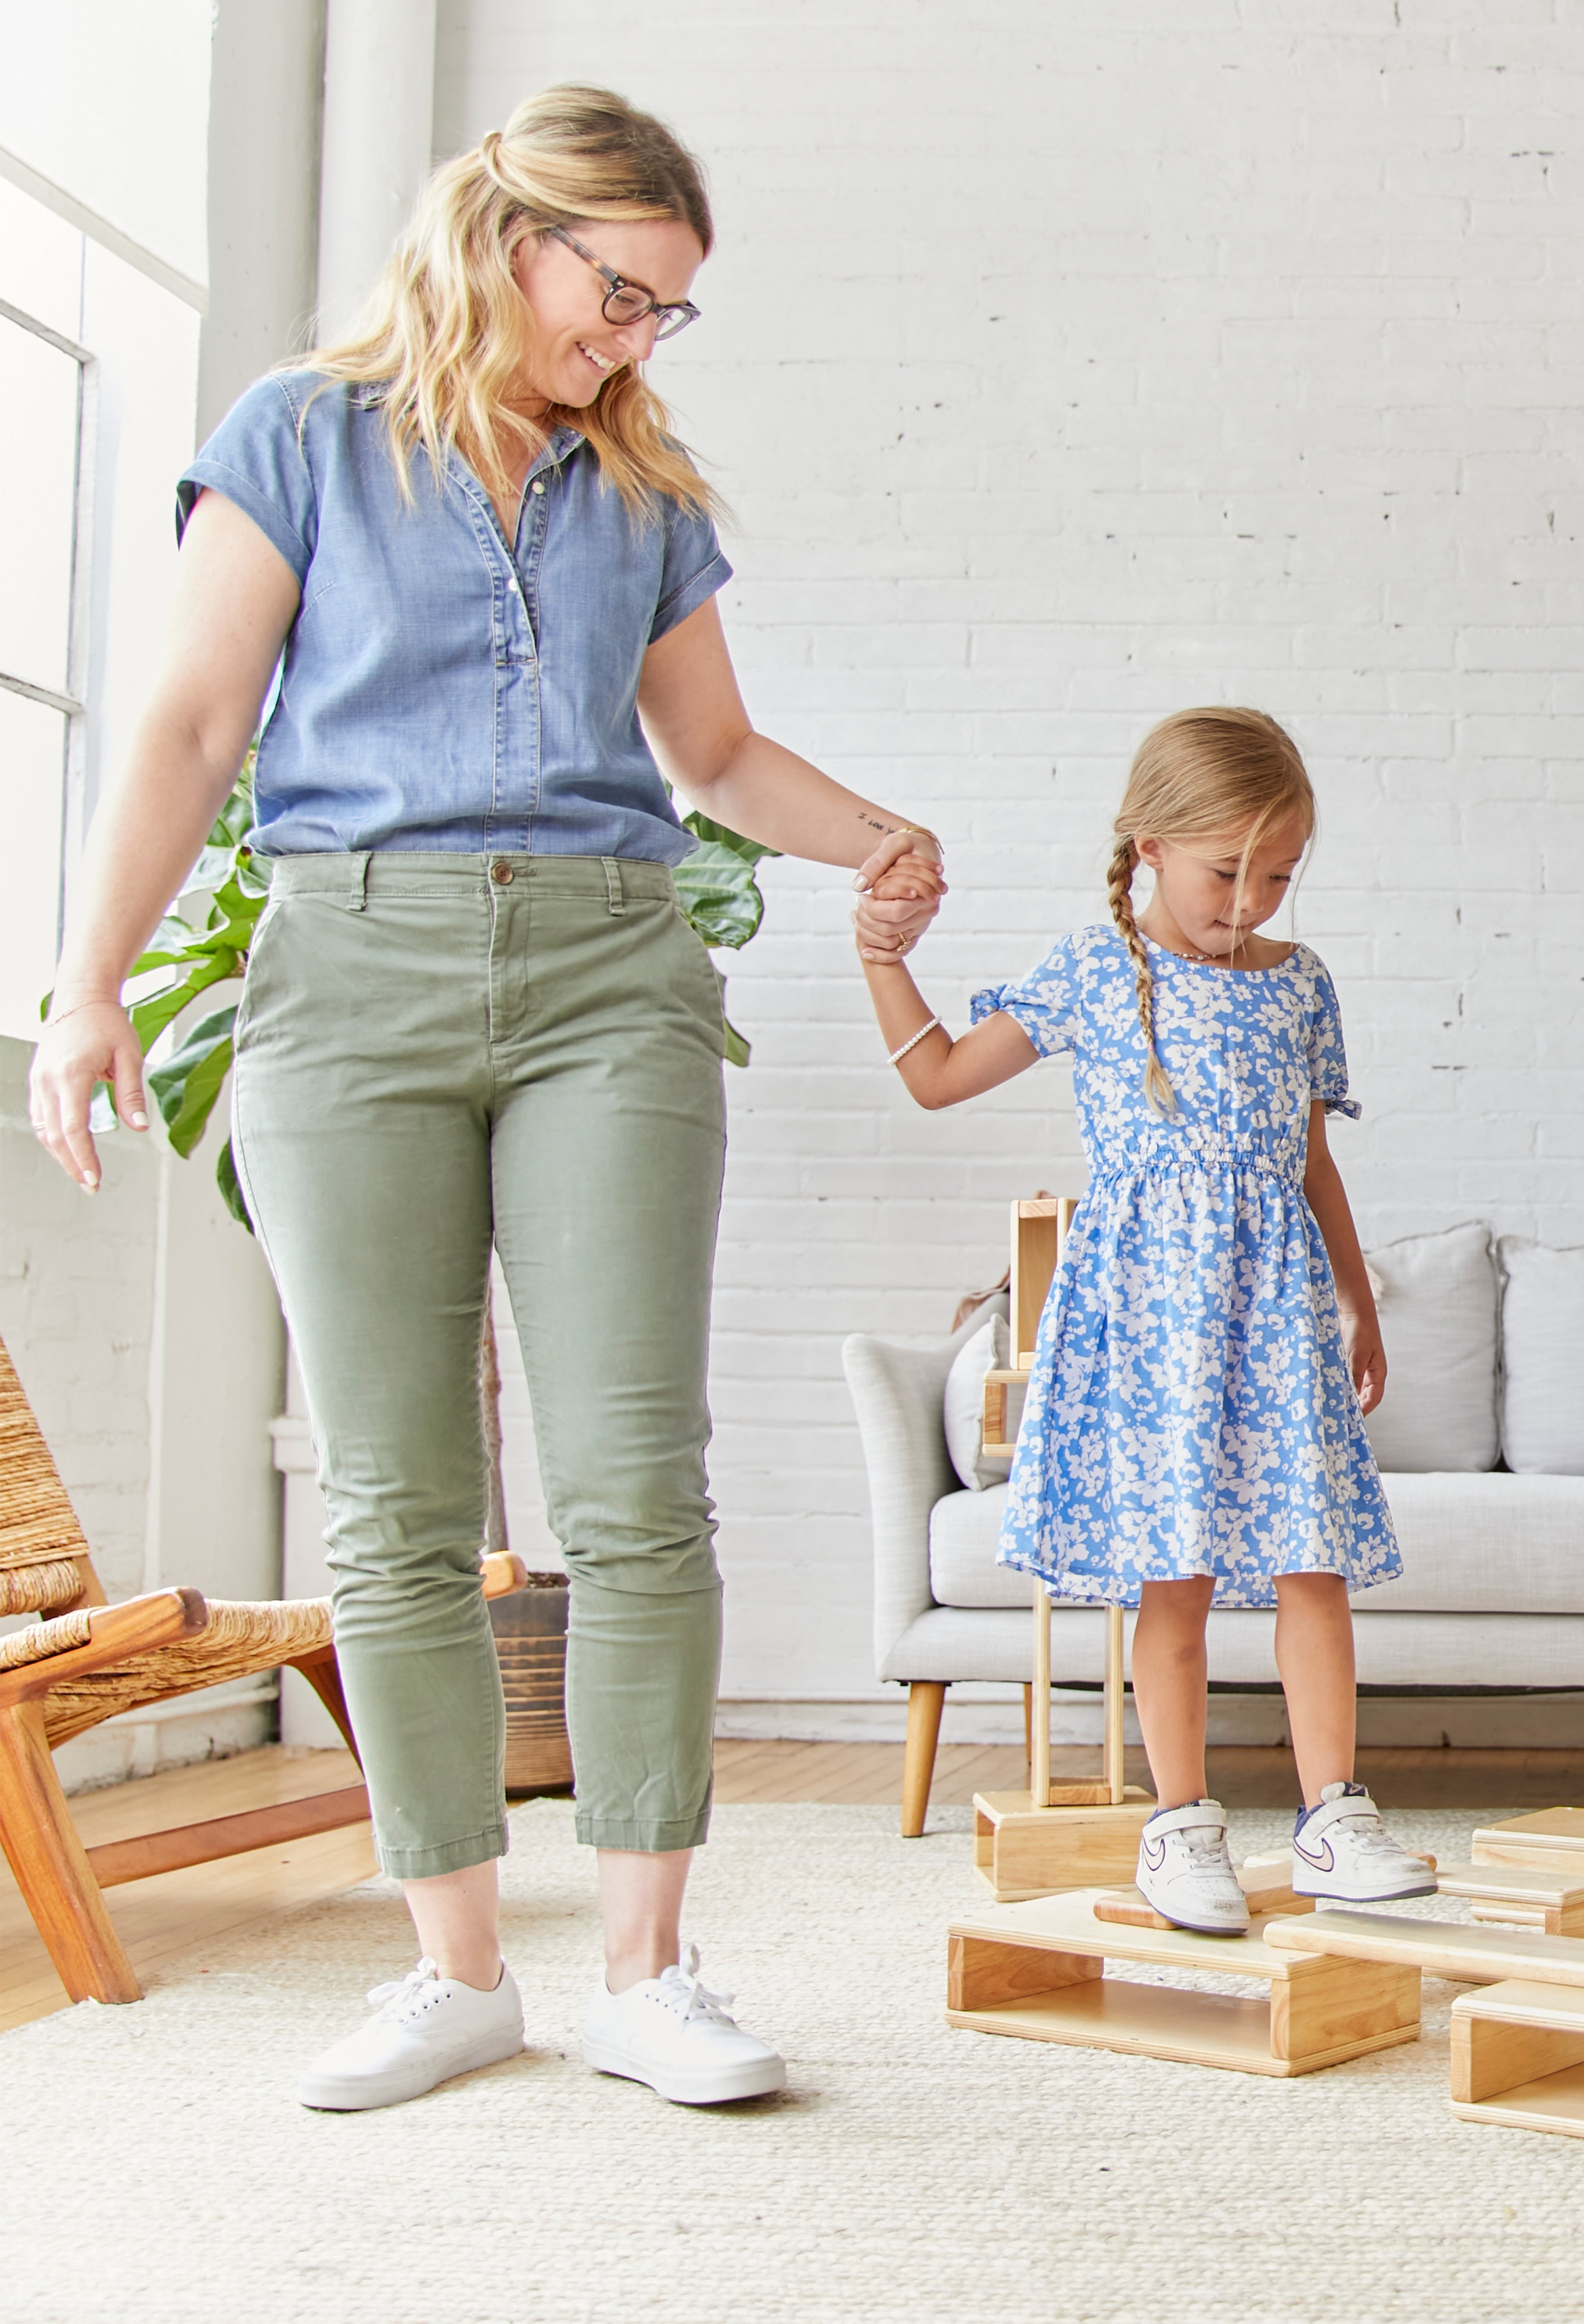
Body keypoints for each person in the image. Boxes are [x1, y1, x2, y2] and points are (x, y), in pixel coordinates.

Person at [26, 85, 945, 2110]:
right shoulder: (298, 439)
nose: (634, 338)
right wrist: (88, 987)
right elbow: (191, 723)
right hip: (348, 974)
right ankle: (457, 1971)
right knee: (399, 1500)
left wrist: (873, 828)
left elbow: (711, 754)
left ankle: (646, 1970)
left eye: (667, 312)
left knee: (635, 1484)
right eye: (620, 294)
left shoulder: (645, 493)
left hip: (613, 976)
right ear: (507, 239)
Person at [854, 706, 1432, 1932]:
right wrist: (877, 956)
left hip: (1275, 1310)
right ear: (1148, 843)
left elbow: (1310, 1154)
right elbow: (938, 1075)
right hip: (1147, 1314)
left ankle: (1333, 1814)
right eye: (1228, 870)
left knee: (1309, 1561)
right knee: (1167, 1578)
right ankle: (1180, 1825)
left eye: (1277, 873)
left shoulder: (1300, 984)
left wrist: (1357, 1293)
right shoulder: (1093, 969)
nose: (1251, 899)